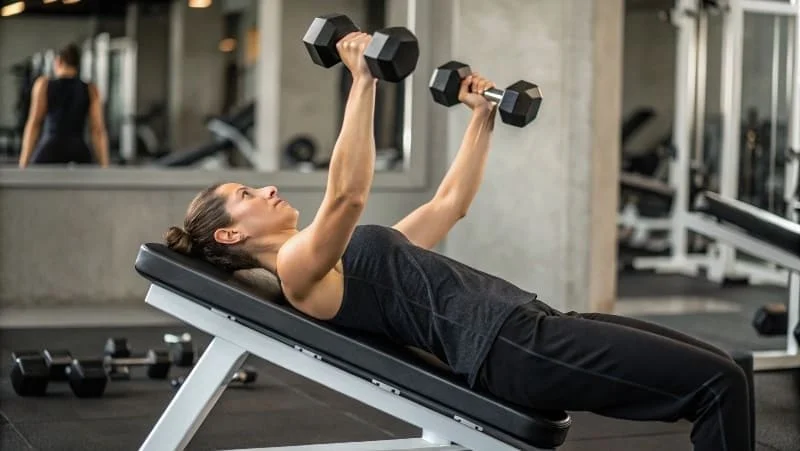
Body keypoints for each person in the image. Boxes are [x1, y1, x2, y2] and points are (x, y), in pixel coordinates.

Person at [164, 32, 751, 451]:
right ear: (230, 233)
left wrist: (480, 117)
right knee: (716, 386)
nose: (267, 189)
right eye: (247, 193)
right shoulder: (298, 271)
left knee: (727, 370)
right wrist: (362, 80)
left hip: (535, 325)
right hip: (510, 350)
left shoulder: (342, 259)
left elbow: (450, 205)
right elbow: (346, 196)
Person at [18, 43, 109, 168]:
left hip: (49, 149)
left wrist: (23, 163)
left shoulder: (43, 85)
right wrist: (105, 167)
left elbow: (34, 124)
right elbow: (97, 130)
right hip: (78, 151)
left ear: (58, 61)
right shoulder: (91, 89)